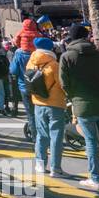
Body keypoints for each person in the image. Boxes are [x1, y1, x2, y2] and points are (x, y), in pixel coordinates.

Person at [59, 25, 99, 191]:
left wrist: (74, 96)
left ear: (71, 38)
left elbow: (64, 83)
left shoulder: (67, 56)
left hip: (83, 104)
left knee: (91, 142)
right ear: (87, 37)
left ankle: (95, 178)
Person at [28, 37, 67, 176]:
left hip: (38, 102)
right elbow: (63, 84)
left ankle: (40, 164)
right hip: (55, 103)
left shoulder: (31, 62)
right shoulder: (54, 65)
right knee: (56, 135)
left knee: (41, 135)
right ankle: (55, 167)